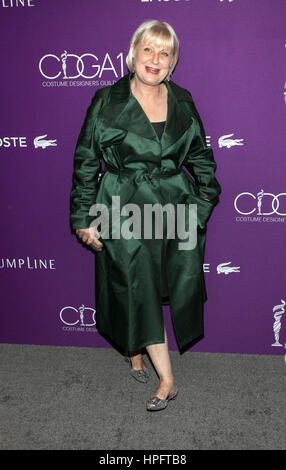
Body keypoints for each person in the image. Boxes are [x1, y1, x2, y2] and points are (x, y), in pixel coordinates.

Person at [70, 20, 221, 411]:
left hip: (173, 206)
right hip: (123, 205)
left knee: (158, 285)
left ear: (172, 62)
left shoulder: (183, 100)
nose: (155, 59)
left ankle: (135, 352)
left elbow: (202, 159)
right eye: (148, 50)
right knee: (138, 286)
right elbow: (87, 161)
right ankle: (167, 381)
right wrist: (84, 217)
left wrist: (202, 206)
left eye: (164, 52)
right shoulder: (106, 99)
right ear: (133, 53)